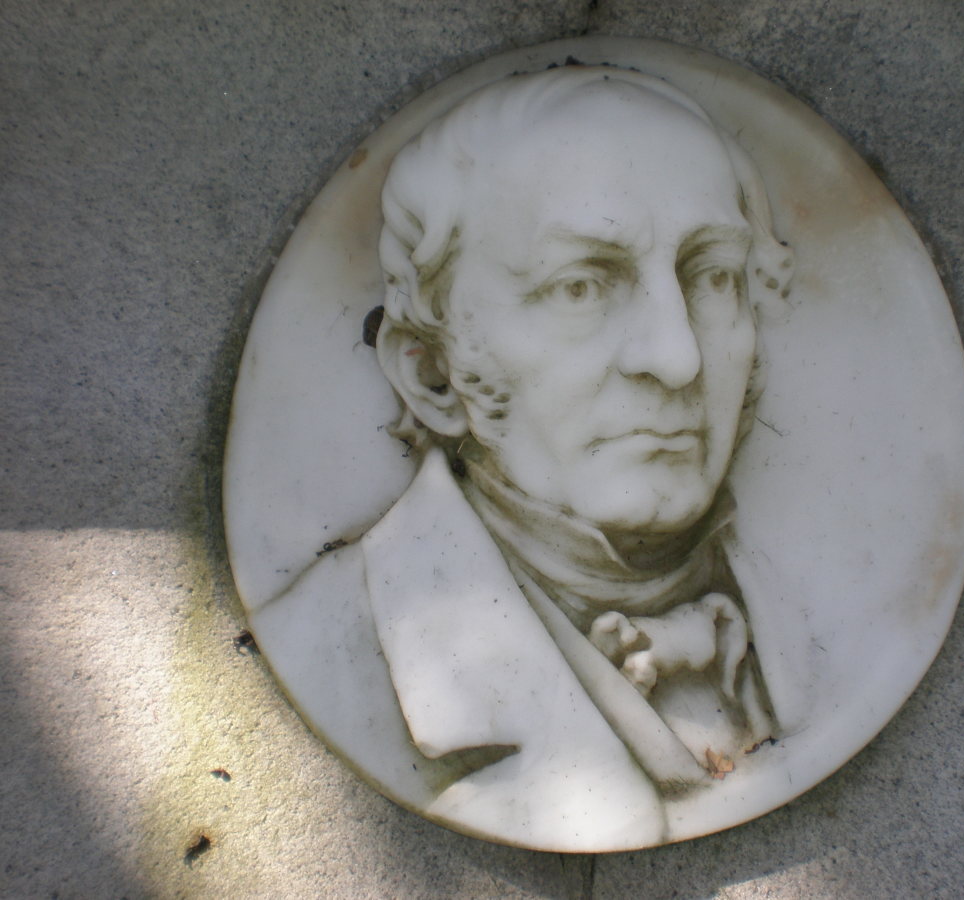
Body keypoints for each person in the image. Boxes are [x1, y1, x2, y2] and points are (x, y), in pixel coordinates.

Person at [252, 65, 803, 850]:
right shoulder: (329, 649)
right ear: (435, 375)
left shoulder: (838, 618)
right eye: (580, 286)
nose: (677, 357)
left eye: (712, 275)